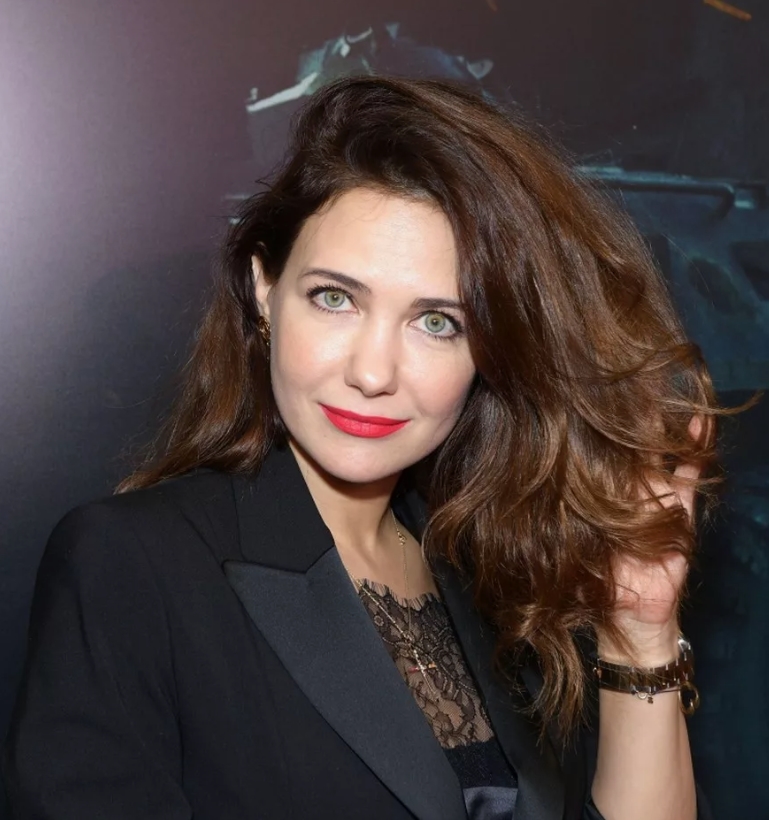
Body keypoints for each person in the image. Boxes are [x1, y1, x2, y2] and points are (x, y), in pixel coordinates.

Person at [3, 75, 723, 820]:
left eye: (437, 322)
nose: (373, 373)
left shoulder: (498, 571)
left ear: (488, 349)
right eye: (335, 298)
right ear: (263, 290)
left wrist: (640, 637)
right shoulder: (134, 565)